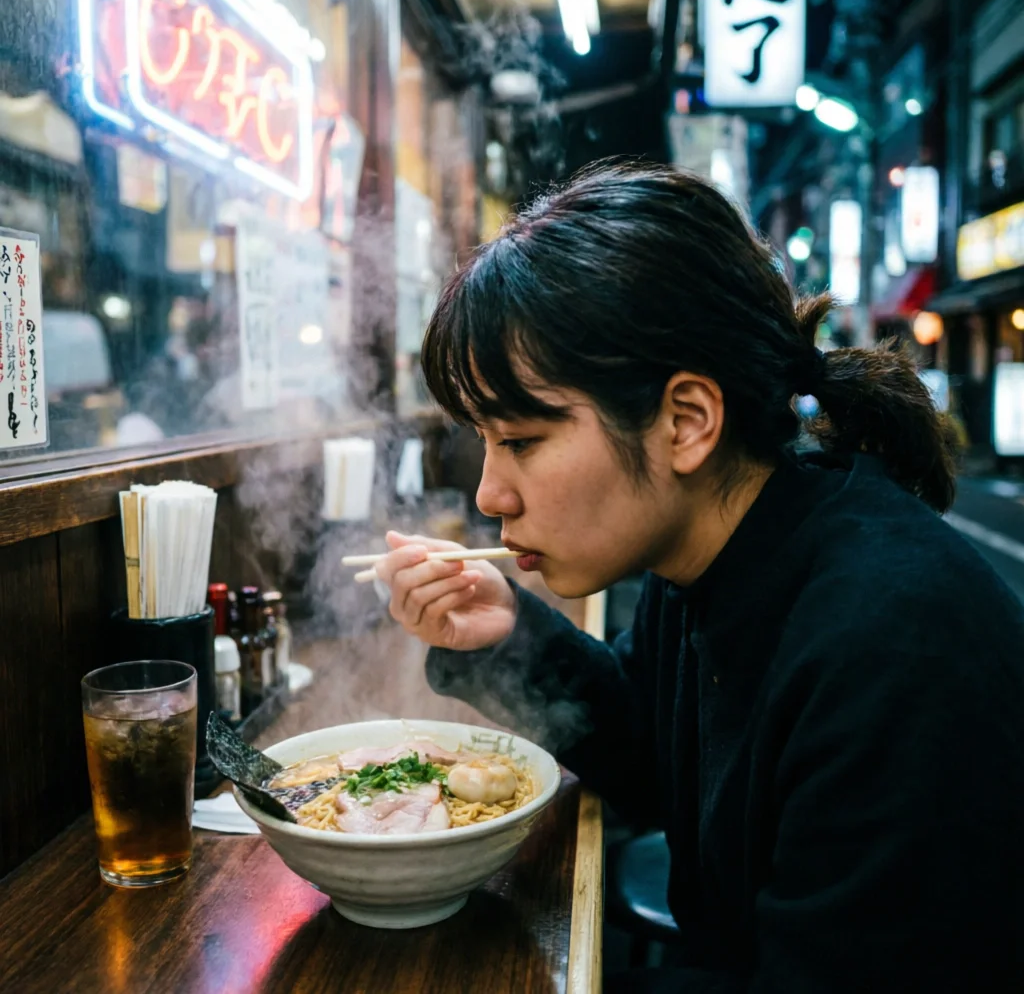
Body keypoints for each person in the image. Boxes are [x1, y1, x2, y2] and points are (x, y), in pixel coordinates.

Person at [375, 163, 1024, 993]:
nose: (490, 493)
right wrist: (509, 637)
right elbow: (658, 754)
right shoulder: (717, 553)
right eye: (485, 440)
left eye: (523, 440)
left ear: (685, 422)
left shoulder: (894, 645)